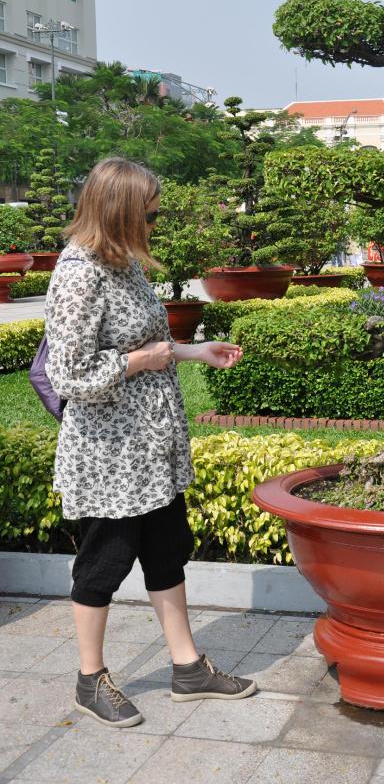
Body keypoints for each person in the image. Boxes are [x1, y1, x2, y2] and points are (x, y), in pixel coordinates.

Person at [44, 157, 257, 729]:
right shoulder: (79, 272)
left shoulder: (125, 264)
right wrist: (139, 362)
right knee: (104, 561)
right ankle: (90, 680)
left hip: (151, 448)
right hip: (110, 455)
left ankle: (188, 668)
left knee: (167, 551)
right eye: (149, 210)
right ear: (121, 211)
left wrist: (192, 350)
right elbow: (68, 375)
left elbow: (153, 343)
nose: (156, 218)